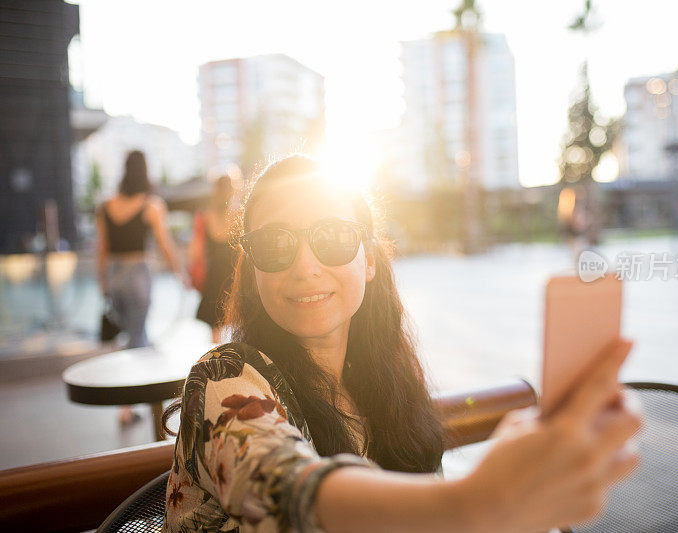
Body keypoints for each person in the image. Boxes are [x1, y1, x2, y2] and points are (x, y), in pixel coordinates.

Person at [163, 154, 641, 532]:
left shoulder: (383, 383)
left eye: (331, 236)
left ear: (368, 261)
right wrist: (479, 503)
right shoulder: (222, 378)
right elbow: (281, 488)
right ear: (252, 274)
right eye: (275, 243)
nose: (305, 265)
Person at [96, 150, 186, 425]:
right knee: (137, 339)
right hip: (138, 274)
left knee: (131, 336)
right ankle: (130, 405)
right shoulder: (151, 205)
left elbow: (102, 249)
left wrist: (103, 283)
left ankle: (137, 402)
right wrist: (180, 272)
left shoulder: (105, 206)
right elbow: (164, 243)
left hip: (114, 274)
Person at [190, 175, 237, 343]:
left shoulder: (205, 216)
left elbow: (196, 251)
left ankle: (217, 364)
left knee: (215, 331)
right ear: (233, 189)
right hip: (236, 274)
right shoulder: (239, 214)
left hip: (214, 276)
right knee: (240, 324)